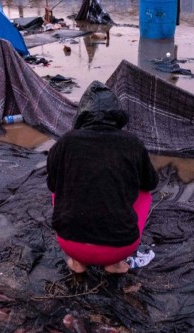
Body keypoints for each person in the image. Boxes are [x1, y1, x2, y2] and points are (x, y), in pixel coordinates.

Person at [46, 81, 158, 274]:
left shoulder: (64, 142)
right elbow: (151, 183)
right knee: (144, 194)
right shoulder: (132, 143)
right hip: (119, 247)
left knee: (58, 191)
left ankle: (77, 262)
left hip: (70, 242)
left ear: (82, 113)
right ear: (117, 114)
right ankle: (115, 265)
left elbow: (52, 186)